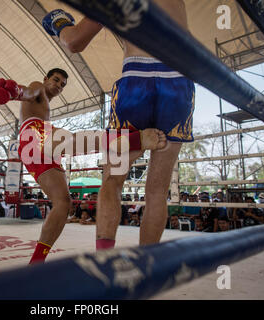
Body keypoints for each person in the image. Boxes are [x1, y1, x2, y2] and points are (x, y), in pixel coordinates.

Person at [43, 1, 195, 249]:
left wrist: (59, 22)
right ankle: (145, 267)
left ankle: (105, 261)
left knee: (113, 179)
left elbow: (74, 41)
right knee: (157, 190)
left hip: (137, 81)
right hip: (177, 82)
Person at [0, 68, 166, 264]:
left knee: (63, 204)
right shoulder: (37, 87)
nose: (58, 86)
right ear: (45, 79)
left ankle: (36, 262)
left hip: (34, 147)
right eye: (56, 80)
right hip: (33, 135)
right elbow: (28, 92)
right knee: (74, 140)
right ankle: (135, 140)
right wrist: (15, 93)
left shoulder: (44, 104)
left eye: (63, 84)